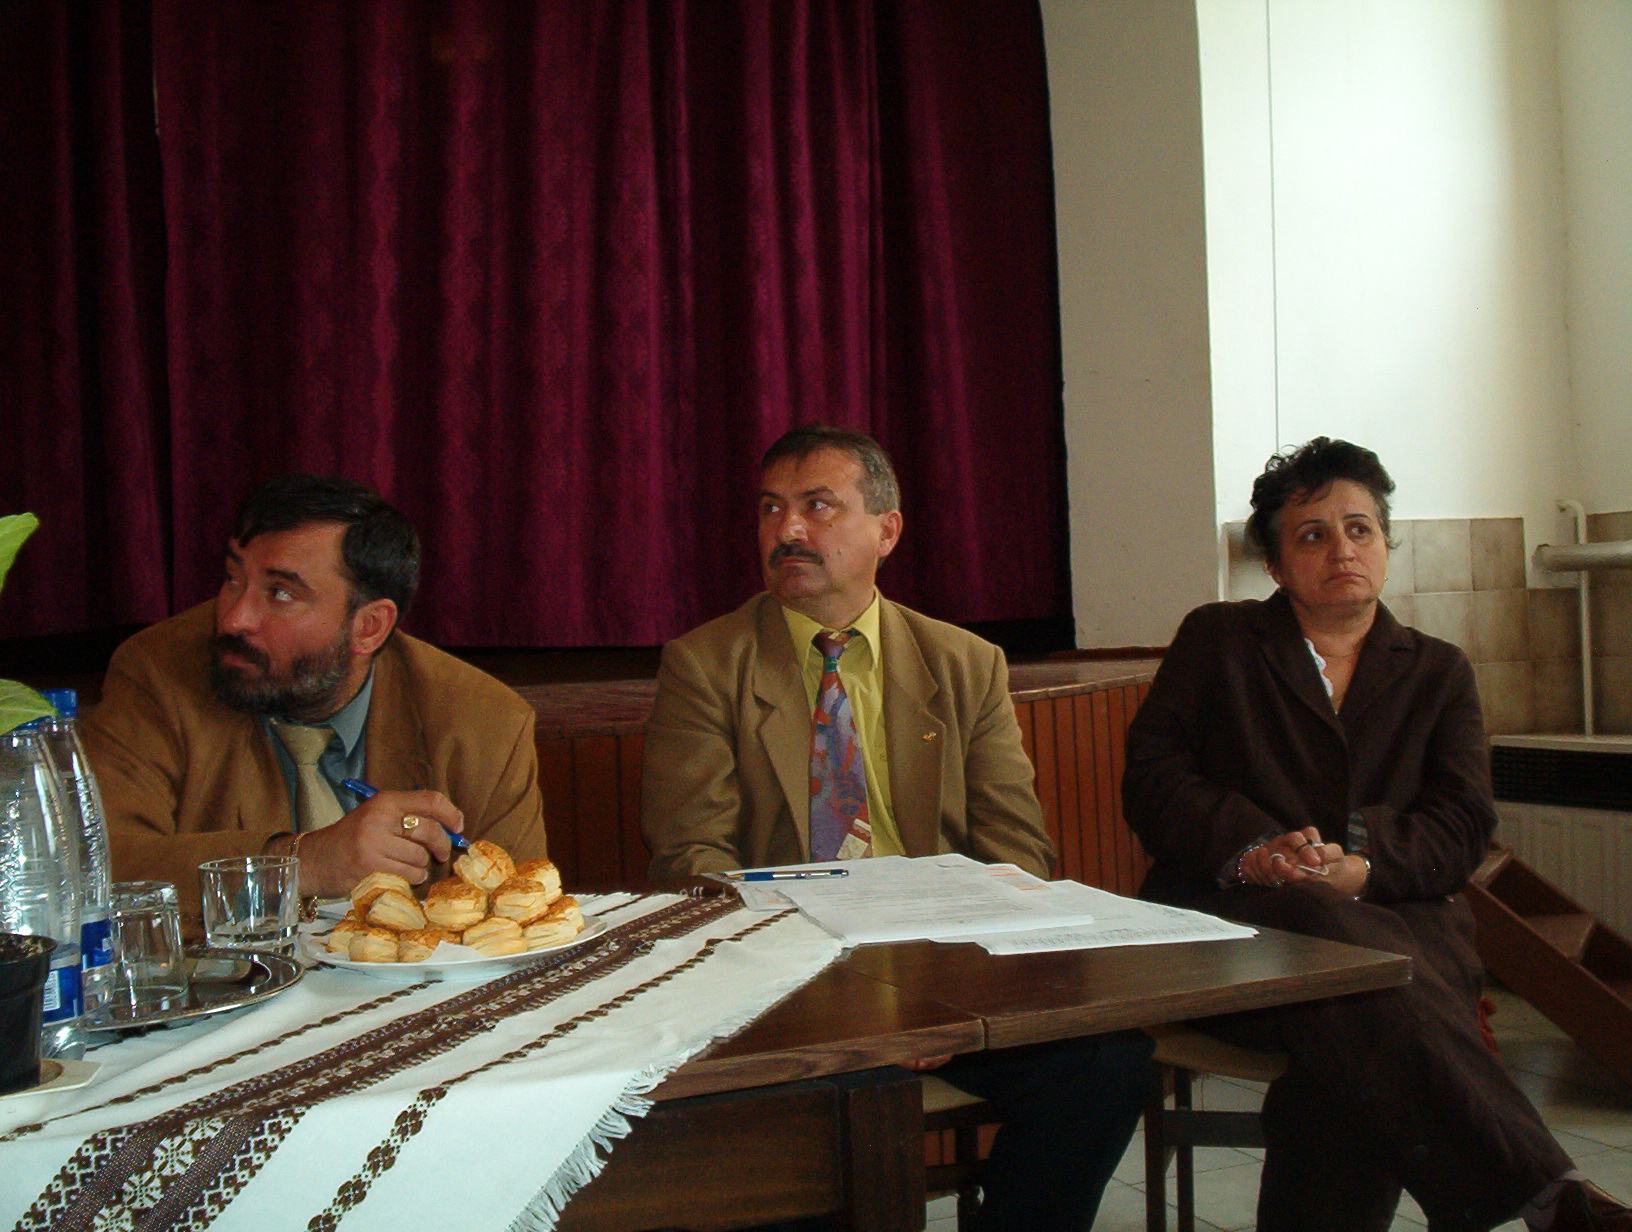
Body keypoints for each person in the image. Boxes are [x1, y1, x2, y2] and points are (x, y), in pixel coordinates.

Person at [642, 425, 1151, 1232]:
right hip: (792, 984)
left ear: (887, 529)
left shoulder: (965, 662)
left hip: (946, 968)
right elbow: (693, 861)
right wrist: (850, 997)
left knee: (1106, 1061)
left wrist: (936, 995)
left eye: (818, 506)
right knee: (823, 1105)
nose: (787, 530)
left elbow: (1017, 850)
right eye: (771, 509)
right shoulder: (707, 664)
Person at [1123, 437, 1631, 1232]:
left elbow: (1463, 824)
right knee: (1346, 967)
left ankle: (1552, 1201)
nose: (1342, 550)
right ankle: (1550, 1194)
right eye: (1313, 534)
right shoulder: (1218, 642)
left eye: (1360, 529)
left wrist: (1363, 866)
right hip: (1238, 939)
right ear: (1276, 564)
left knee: (1349, 1036)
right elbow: (1154, 781)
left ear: (1387, 545)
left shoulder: (1439, 671)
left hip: (1401, 935)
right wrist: (1257, 850)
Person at [85, 475, 547, 909]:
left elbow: (522, 917)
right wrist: (301, 864)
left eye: (281, 593)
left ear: (369, 627)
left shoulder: (484, 723)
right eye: (232, 578)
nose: (234, 618)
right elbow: (101, 870)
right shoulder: (158, 675)